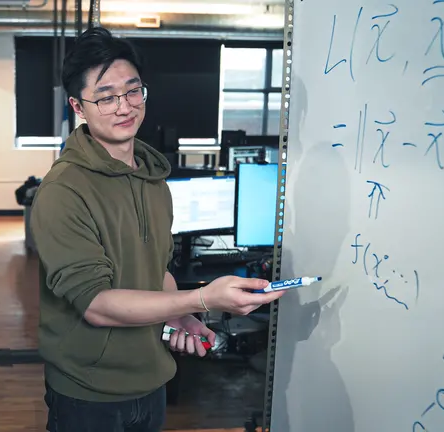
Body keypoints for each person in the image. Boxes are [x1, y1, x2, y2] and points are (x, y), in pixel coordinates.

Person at [30, 27, 285, 432]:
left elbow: (156, 271)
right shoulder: (63, 191)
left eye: (133, 91)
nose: (123, 106)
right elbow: (96, 305)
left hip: (151, 380)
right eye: (106, 96)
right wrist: (198, 299)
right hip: (89, 391)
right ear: (78, 106)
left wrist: (183, 318)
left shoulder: (153, 178)